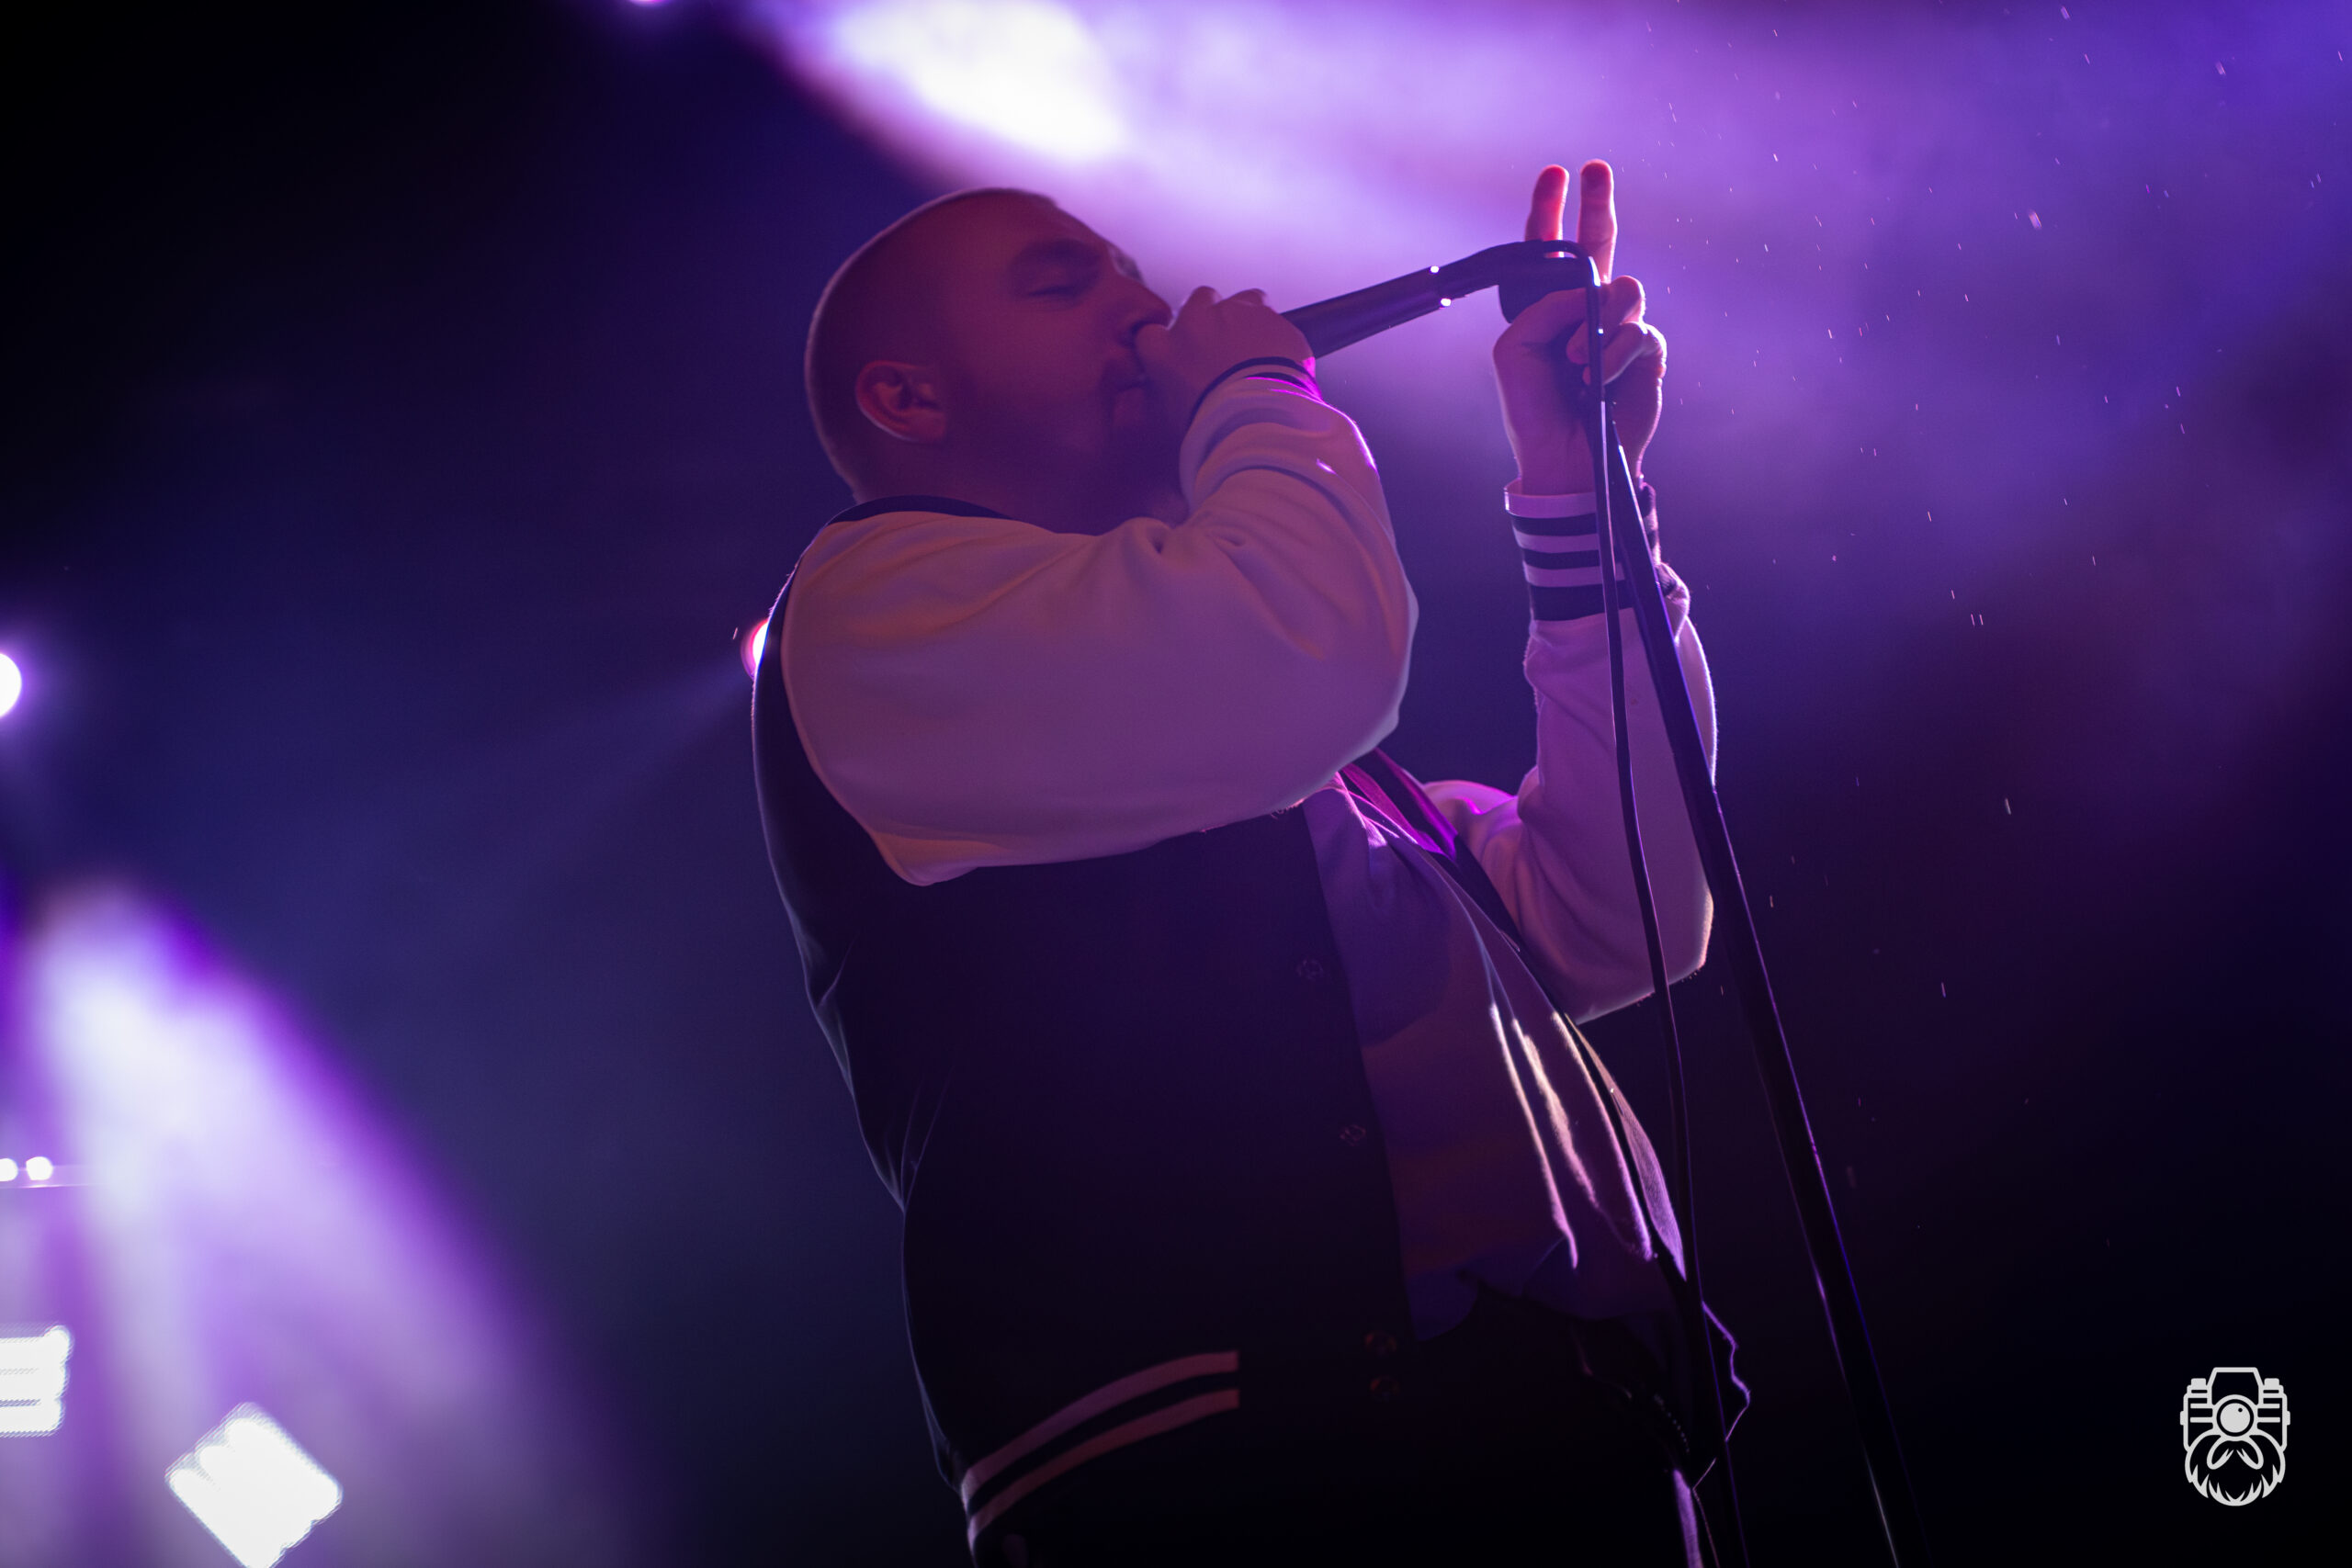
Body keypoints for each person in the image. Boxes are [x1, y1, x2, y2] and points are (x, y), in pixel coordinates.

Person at [752, 162, 1740, 1566]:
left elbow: (1627, 914)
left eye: (1130, 273)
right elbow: (1308, 649)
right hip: (1247, 1478)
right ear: (908, 399)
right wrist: (1257, 391)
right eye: (1065, 283)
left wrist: (1585, 495)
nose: (1145, 308)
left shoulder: (1283, 756)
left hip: (1545, 1446)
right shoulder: (869, 613)